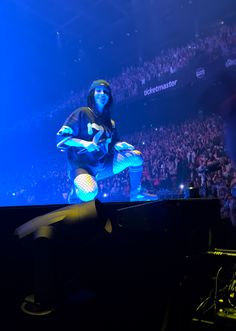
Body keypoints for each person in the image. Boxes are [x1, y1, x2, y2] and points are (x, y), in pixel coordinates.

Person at [56, 79, 157, 203]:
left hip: (102, 166)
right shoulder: (82, 113)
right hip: (81, 167)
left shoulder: (110, 123)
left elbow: (112, 145)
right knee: (88, 193)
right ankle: (75, 191)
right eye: (99, 90)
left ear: (109, 97)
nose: (102, 94)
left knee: (136, 157)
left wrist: (119, 145)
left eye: (106, 92)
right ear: (92, 94)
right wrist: (84, 143)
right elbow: (61, 138)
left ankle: (136, 194)